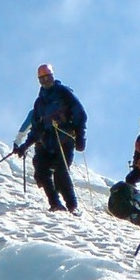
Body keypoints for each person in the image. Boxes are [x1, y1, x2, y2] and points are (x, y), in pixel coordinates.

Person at [13, 64, 87, 213]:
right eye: (42, 78)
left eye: (48, 77)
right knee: (41, 170)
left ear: (53, 76)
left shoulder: (63, 92)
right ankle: (55, 204)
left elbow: (80, 113)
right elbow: (36, 128)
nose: (46, 80)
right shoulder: (39, 102)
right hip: (48, 142)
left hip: (65, 138)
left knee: (61, 171)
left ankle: (72, 206)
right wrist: (25, 145)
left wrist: (80, 135)